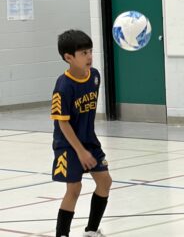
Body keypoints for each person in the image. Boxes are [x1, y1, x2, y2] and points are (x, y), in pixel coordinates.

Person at [51, 30, 112, 237]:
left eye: (90, 51)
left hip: (89, 140)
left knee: (105, 181)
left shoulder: (94, 76)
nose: (89, 56)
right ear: (68, 58)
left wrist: (88, 148)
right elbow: (63, 124)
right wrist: (80, 152)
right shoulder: (63, 86)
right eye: (83, 53)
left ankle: (91, 231)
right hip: (68, 144)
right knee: (74, 189)